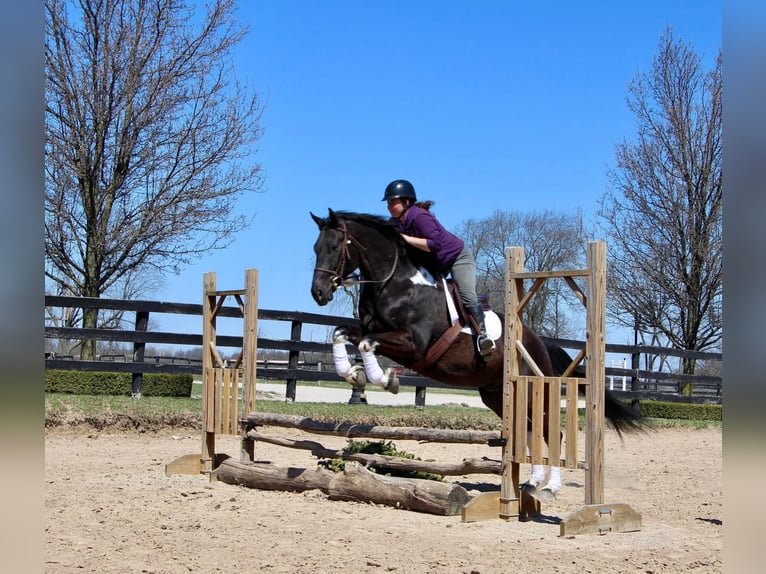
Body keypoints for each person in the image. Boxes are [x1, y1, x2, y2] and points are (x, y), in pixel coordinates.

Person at [383, 179, 495, 356]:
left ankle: (483, 336)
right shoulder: (395, 223)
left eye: (392, 202)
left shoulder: (419, 216)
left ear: (406, 202)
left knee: (466, 295)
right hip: (434, 263)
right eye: (388, 203)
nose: (389, 206)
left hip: (456, 257)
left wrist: (405, 239)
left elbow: (435, 244)